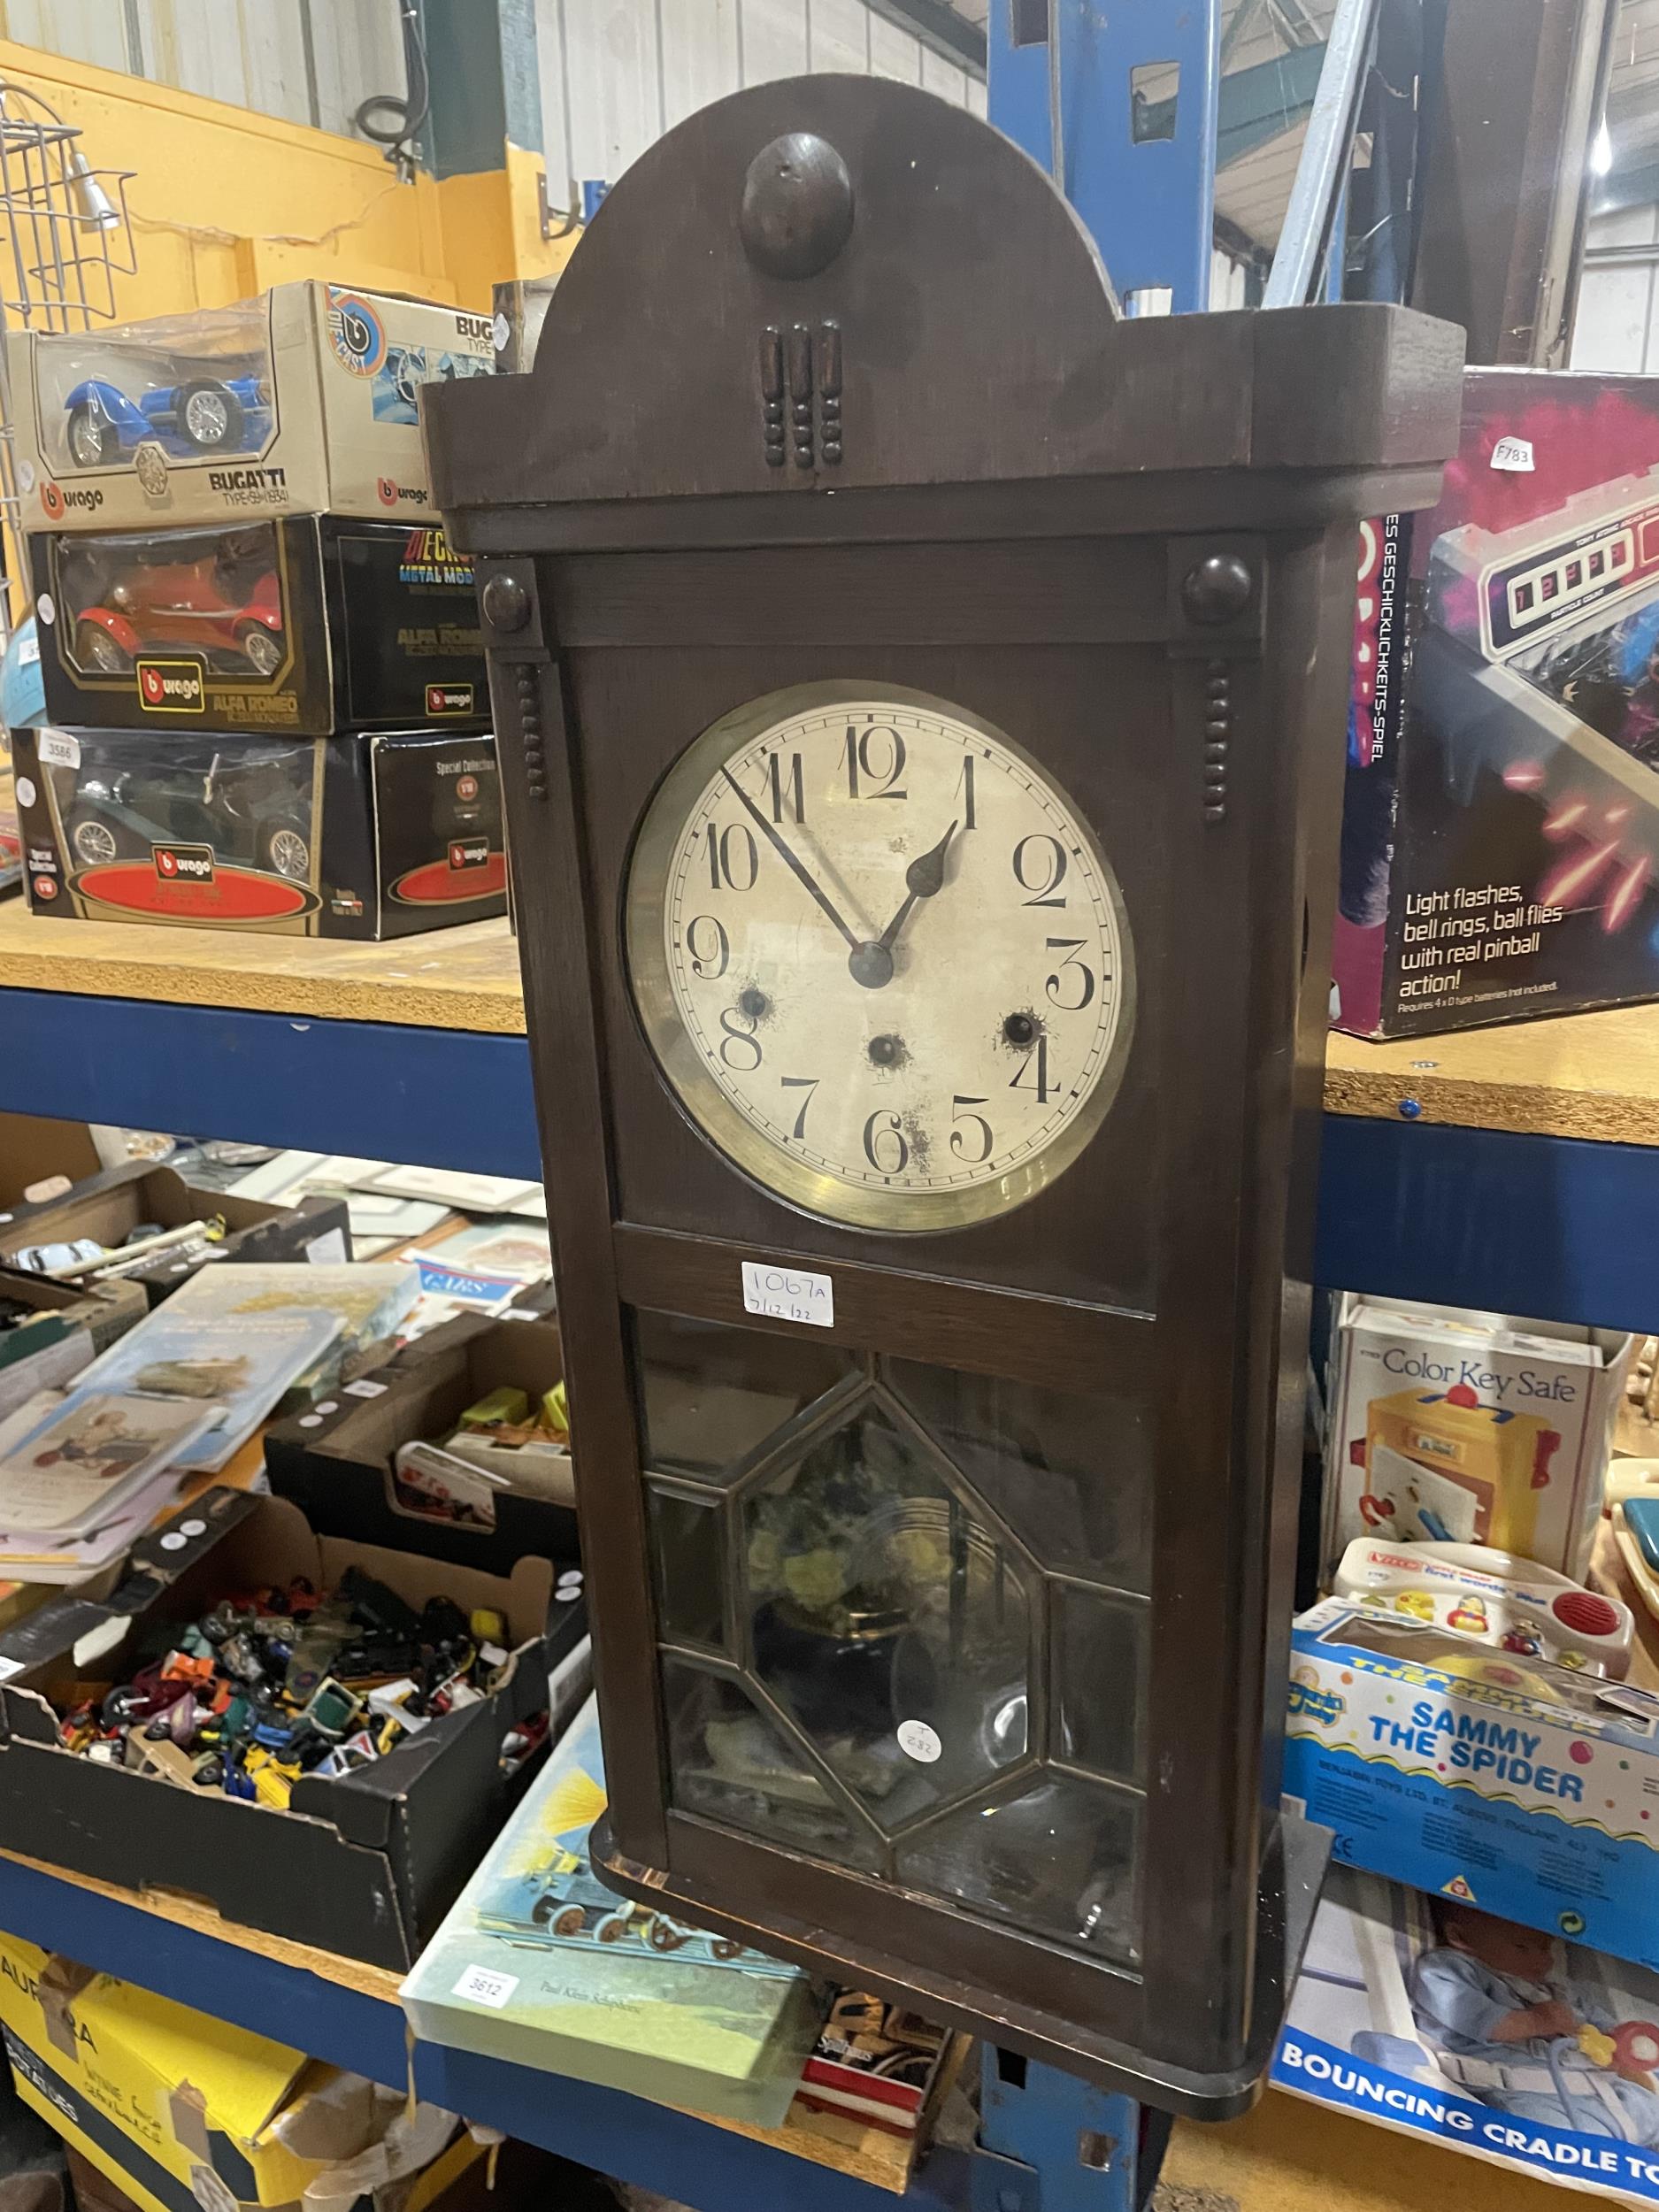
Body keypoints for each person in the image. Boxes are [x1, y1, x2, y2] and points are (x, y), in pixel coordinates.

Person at [1409, 1900, 1659, 2140]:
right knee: (1548, 2133)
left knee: (1649, 2109)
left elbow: (1601, 2023)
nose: (1544, 1960)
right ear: (1459, 1937)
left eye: (1546, 1948)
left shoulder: (1556, 1991)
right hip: (1520, 2092)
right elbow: (1473, 2016)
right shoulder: (1447, 1968)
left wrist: (1620, 2042)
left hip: (1598, 2089)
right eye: (1522, 1947)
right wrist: (1535, 2022)